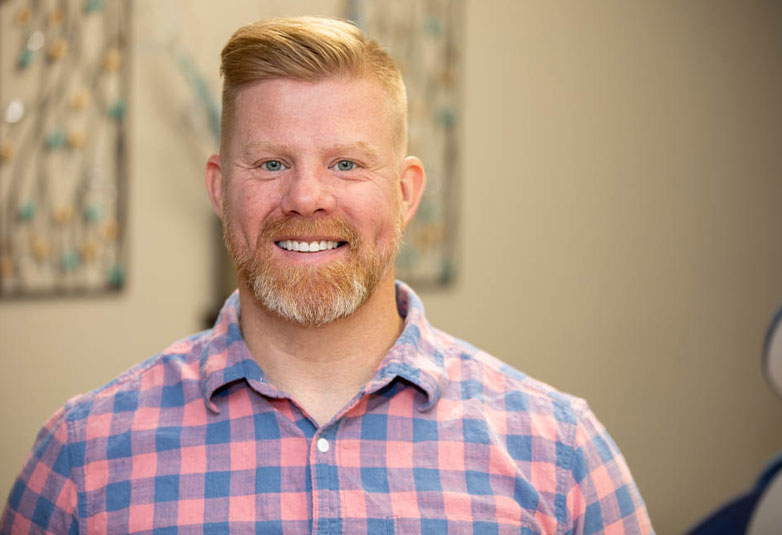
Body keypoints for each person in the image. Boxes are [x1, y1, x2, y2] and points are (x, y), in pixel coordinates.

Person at [1, 16, 653, 535]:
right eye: (270, 163)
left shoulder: (562, 455)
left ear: (405, 193)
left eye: (345, 164)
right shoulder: (82, 460)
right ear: (219, 187)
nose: (307, 197)